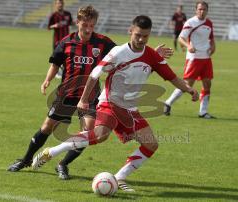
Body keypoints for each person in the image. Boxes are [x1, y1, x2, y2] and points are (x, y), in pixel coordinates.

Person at [31, 15, 198, 192]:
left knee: (151, 144)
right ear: (130, 31)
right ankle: (52, 152)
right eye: (138, 35)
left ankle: (119, 178)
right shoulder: (118, 52)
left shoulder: (152, 56)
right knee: (100, 135)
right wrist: (84, 99)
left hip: (130, 109)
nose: (141, 39)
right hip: (109, 103)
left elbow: (173, 78)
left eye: (145, 36)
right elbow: (96, 73)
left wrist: (190, 90)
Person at [7, 6, 174, 180]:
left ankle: (63, 164)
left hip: (91, 95)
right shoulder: (67, 41)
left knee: (88, 131)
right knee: (47, 127)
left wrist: (153, 54)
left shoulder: (103, 42)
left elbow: (128, 55)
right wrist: (47, 79)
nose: (88, 28)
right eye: (85, 24)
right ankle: (26, 160)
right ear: (77, 22)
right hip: (67, 93)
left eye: (92, 25)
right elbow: (56, 63)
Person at [164, 1, 216, 119]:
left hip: (206, 58)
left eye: (204, 9)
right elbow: (181, 38)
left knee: (207, 84)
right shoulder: (190, 22)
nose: (202, 11)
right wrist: (188, 46)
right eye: (200, 9)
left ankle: (203, 112)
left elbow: (211, 38)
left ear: (207, 11)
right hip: (194, 59)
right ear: (196, 10)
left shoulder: (209, 23)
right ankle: (168, 103)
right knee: (187, 85)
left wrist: (213, 47)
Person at [48, 0, 74, 78]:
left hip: (67, 40)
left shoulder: (67, 14)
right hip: (57, 40)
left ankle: (65, 71)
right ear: (55, 5)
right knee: (57, 56)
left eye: (61, 3)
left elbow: (70, 22)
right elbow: (49, 27)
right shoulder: (53, 15)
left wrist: (77, 22)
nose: (60, 5)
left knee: (67, 56)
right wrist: (54, 25)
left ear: (63, 4)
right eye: (58, 3)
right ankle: (56, 72)